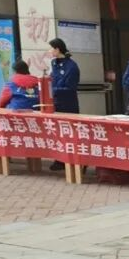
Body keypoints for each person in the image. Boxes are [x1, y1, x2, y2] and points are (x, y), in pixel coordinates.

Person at [49, 38, 80, 171]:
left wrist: (54, 90)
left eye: (51, 48)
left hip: (68, 104)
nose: (50, 51)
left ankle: (72, 160)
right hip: (55, 103)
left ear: (57, 49)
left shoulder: (71, 66)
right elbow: (51, 79)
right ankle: (59, 159)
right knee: (57, 133)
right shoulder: (54, 63)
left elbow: (71, 87)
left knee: (69, 133)